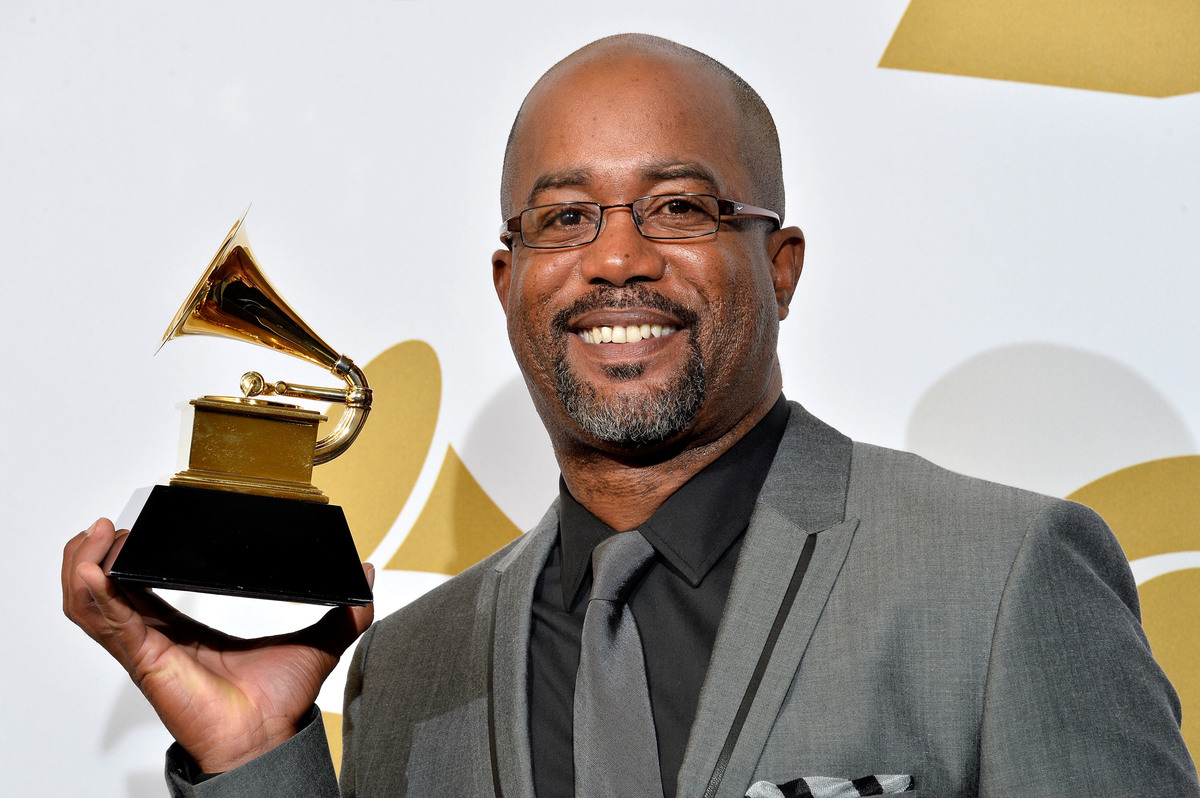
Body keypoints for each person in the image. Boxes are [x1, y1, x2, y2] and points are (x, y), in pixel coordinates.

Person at [63, 33, 1198, 798]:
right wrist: (258, 755)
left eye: (677, 204)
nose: (615, 257)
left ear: (782, 264)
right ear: (508, 282)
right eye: (563, 218)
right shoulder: (406, 668)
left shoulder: (1003, 579)